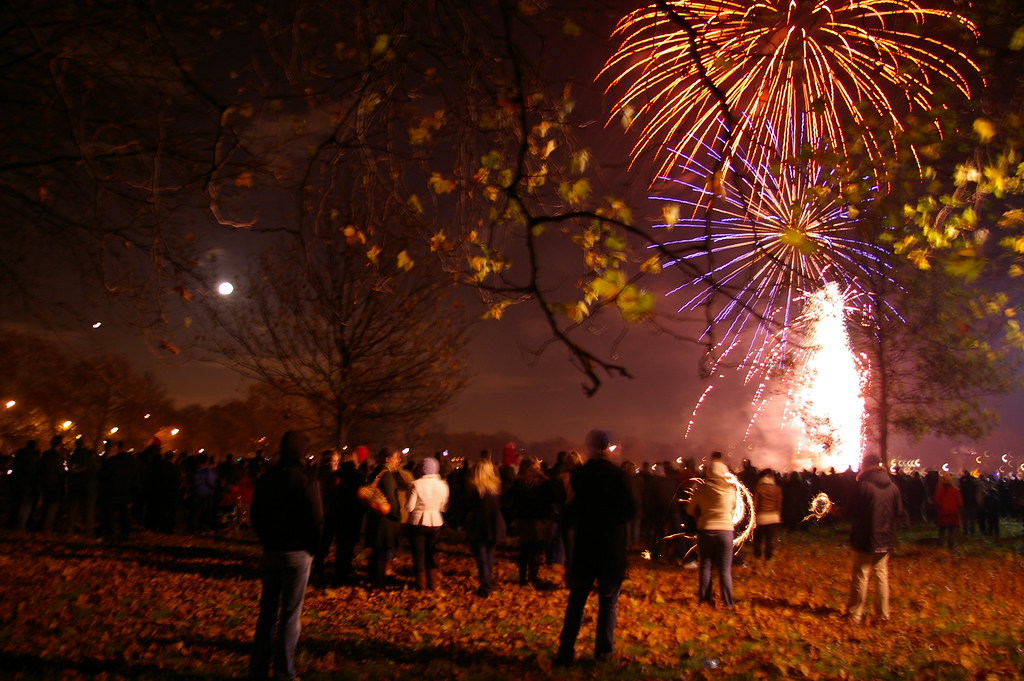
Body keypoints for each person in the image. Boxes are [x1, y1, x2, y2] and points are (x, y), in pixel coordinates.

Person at [555, 429, 636, 667]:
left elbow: (572, 508)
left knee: (577, 600)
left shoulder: (580, 475)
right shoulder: (620, 476)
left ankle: (566, 651)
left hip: (585, 544)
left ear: (589, 447)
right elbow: (631, 510)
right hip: (611, 546)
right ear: (608, 446)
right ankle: (603, 652)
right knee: (608, 601)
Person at [249, 430, 323, 681]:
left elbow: (255, 514)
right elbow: (316, 520)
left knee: (267, 612)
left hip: (271, 550)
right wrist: (312, 548)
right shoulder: (306, 480)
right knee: (290, 615)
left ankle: (258, 668)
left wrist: (266, 539)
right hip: (296, 552)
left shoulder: (267, 478)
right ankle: (283, 671)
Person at [845, 454, 904, 625]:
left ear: (865, 466)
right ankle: (883, 615)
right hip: (885, 538)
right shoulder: (893, 487)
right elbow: (899, 512)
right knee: (881, 576)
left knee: (861, 575)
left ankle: (855, 615)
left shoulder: (862, 486)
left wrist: (839, 511)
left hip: (865, 537)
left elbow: (851, 512)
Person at [687, 455, 737, 607]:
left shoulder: (701, 489)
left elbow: (690, 509)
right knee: (724, 569)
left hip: (706, 530)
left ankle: (704, 600)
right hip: (725, 531)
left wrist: (700, 514)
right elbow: (734, 508)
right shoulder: (730, 490)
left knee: (705, 566)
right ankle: (728, 603)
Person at [464, 459, 506, 597]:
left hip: (480, 525)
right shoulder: (496, 488)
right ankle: (488, 582)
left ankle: (486, 586)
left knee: (481, 556)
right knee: (489, 555)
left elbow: (469, 506)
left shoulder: (476, 489)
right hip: (494, 524)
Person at [406, 456, 450, 590]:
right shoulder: (443, 485)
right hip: (436, 521)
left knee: (419, 554)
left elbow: (410, 507)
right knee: (430, 553)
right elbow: (443, 507)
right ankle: (433, 582)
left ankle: (421, 584)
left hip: (418, 522)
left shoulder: (416, 484)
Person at [365, 447, 404, 589]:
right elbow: (391, 498)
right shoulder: (386, 474)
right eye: (395, 458)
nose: (397, 461)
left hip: (377, 518)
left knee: (377, 552)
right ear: (387, 459)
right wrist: (396, 514)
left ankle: (374, 578)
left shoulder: (377, 472)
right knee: (381, 552)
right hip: (385, 521)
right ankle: (378, 582)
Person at [752, 468, 782, 561]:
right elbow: (778, 505)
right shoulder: (777, 489)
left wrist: (753, 517)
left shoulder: (759, 487)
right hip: (773, 517)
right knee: (769, 540)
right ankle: (768, 559)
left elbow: (755, 504)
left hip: (761, 517)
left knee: (758, 539)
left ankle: (758, 557)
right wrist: (777, 515)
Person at [933, 471, 963, 550]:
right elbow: (960, 503)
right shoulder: (955, 491)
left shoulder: (939, 490)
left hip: (942, 513)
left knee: (942, 531)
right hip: (953, 514)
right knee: (951, 531)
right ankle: (951, 546)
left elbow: (936, 501)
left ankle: (941, 545)